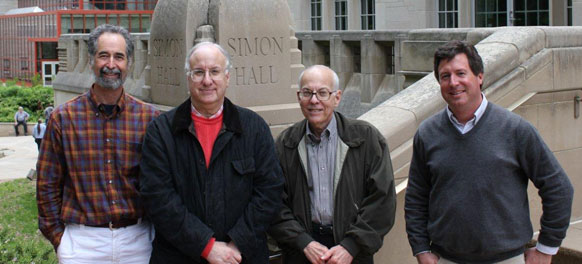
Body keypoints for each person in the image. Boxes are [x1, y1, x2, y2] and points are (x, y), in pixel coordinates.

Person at [404, 40, 574, 264]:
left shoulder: (516, 130)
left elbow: (559, 188)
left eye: (461, 73)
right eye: (445, 76)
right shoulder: (427, 134)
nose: (453, 82)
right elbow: (416, 197)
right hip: (445, 258)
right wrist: (421, 249)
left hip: (507, 259)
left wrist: (546, 248)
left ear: (480, 76)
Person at [139, 41, 284, 264]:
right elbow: (158, 198)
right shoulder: (161, 131)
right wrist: (206, 247)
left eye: (214, 71)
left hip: (241, 256)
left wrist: (236, 243)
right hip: (179, 256)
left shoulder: (254, 128)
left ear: (227, 77)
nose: (207, 80)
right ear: (188, 78)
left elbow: (269, 190)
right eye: (198, 72)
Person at [36, 24, 160, 263]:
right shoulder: (63, 118)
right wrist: (59, 239)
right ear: (92, 59)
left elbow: (161, 183)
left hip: (138, 242)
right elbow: (47, 186)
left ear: (129, 63)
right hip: (82, 244)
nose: (111, 64)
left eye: (119, 57)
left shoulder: (150, 119)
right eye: (104, 55)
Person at [269, 65, 397, 264]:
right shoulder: (285, 144)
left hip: (353, 253)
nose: (314, 100)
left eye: (322, 93)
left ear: (337, 98)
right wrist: (303, 242)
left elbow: (382, 200)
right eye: (307, 93)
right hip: (302, 252)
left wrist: (351, 246)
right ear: (298, 97)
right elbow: (274, 202)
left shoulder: (367, 138)